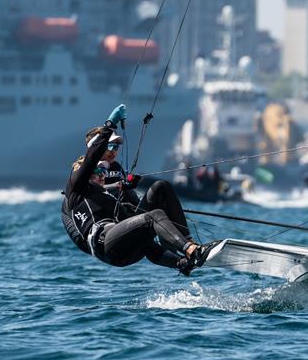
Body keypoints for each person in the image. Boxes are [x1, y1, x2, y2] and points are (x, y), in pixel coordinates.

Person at [61, 104, 220, 275]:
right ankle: (190, 249)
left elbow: (143, 232)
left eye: (104, 171)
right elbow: (90, 161)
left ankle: (187, 253)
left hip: (125, 246)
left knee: (160, 189)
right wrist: (109, 125)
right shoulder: (77, 188)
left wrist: (180, 262)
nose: (102, 175)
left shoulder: (106, 192)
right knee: (153, 217)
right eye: (97, 171)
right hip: (106, 245)